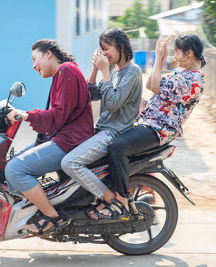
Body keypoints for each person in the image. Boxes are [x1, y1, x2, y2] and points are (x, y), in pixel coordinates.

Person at [100, 33, 206, 218]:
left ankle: (121, 200)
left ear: (188, 53)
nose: (174, 56)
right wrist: (159, 59)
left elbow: (154, 86)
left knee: (117, 147)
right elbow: (151, 82)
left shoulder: (193, 79)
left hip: (159, 129)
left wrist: (159, 58)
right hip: (148, 124)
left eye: (177, 52)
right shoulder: (181, 74)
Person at [5, 39, 94, 235]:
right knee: (11, 167)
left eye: (34, 59)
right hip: (64, 139)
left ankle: (52, 217)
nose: (33, 65)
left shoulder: (66, 72)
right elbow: (57, 113)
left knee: (14, 170)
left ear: (48, 54)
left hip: (69, 142)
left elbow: (58, 114)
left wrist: (27, 114)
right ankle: (47, 205)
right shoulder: (62, 73)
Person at [61, 28, 143, 220]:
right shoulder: (115, 73)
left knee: (70, 163)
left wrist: (105, 70)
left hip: (113, 133)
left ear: (121, 47)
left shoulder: (133, 72)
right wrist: (96, 69)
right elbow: (91, 94)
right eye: (102, 50)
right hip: (101, 130)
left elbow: (113, 104)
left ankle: (109, 198)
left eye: (107, 49)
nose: (104, 53)